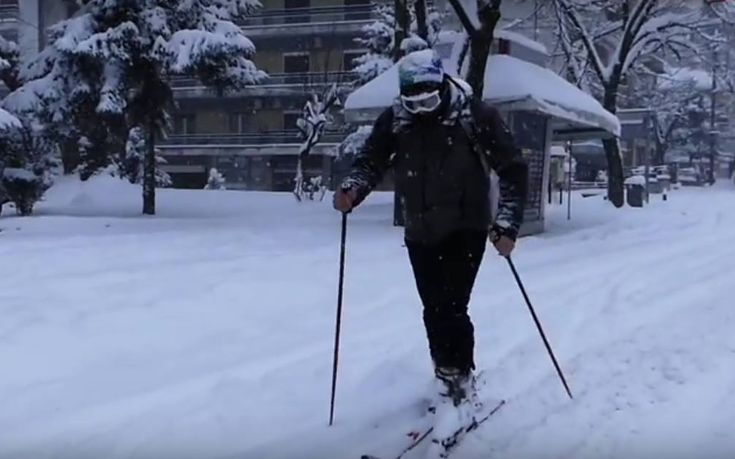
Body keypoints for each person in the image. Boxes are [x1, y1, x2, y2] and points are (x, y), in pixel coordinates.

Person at [334, 49, 528, 407]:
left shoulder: (475, 115)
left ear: (442, 86)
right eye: (414, 103)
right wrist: (353, 188)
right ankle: (444, 371)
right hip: (420, 230)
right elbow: (371, 160)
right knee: (432, 308)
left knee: (452, 306)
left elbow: (513, 168)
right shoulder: (396, 120)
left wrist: (507, 224)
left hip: (466, 226)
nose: (422, 110)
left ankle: (460, 375)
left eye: (429, 100)